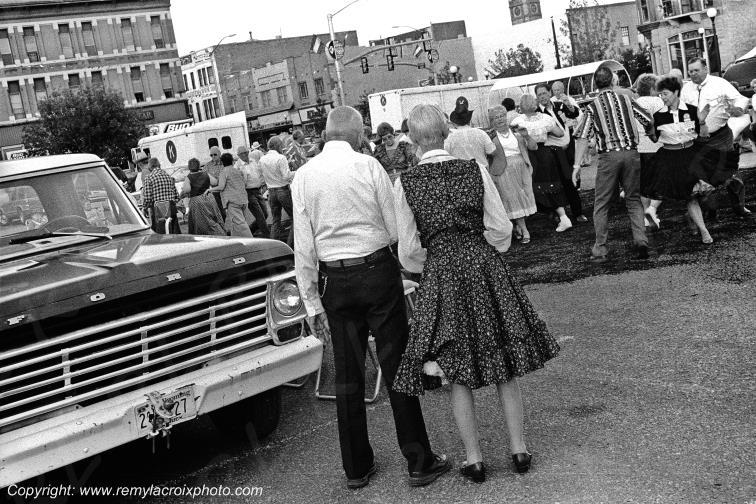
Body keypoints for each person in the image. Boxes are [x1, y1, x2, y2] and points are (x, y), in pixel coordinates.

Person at [391, 103, 560, 483]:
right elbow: (500, 227)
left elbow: (407, 249)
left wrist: (432, 266)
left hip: (441, 271)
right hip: (483, 264)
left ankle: (474, 459)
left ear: (414, 140)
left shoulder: (405, 182)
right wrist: (484, 254)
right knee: (504, 357)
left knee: (456, 365)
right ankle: (518, 450)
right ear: (447, 133)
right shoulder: (473, 169)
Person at [292, 105, 450, 490]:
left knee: (348, 374)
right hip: (376, 270)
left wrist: (311, 301)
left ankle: (356, 468)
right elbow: (394, 227)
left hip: (334, 277)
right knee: (396, 364)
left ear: (327, 133)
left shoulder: (304, 176)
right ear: (358, 134)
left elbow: (303, 245)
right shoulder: (368, 166)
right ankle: (418, 460)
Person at [572, 65, 656, 263]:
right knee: (633, 199)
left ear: (596, 84)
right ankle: (641, 241)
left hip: (608, 157)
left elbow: (582, 137)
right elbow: (647, 119)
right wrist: (652, 136)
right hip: (631, 153)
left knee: (601, 204)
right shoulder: (626, 99)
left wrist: (576, 167)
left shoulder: (592, 107)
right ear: (612, 81)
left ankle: (600, 248)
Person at [642, 76, 714, 244]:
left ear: (675, 92)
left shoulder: (691, 110)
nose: (663, 98)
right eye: (660, 94)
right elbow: (654, 139)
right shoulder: (658, 116)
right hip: (670, 158)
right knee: (690, 196)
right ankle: (704, 231)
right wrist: (650, 129)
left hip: (691, 154)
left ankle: (692, 218)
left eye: (665, 94)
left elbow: (704, 136)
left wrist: (702, 122)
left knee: (703, 193)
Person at [681, 57, 751, 218]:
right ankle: (710, 210)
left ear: (705, 69)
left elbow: (740, 98)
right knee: (704, 174)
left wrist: (738, 109)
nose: (692, 74)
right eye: (690, 71)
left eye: (696, 70)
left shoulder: (719, 83)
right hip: (698, 138)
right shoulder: (686, 90)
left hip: (720, 135)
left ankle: (739, 206)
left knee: (729, 171)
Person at [511, 95, 573, 233]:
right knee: (551, 183)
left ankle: (525, 223)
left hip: (527, 154)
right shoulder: (545, 118)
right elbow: (559, 133)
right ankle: (563, 217)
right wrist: (545, 131)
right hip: (545, 153)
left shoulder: (517, 121)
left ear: (521, 106)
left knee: (530, 185)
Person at [535, 83, 588, 223]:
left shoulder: (559, 105)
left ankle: (578, 213)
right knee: (556, 183)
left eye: (544, 93)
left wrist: (568, 104)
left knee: (571, 181)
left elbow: (574, 113)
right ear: (536, 97)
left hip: (568, 150)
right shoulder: (537, 114)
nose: (542, 97)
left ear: (549, 93)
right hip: (552, 153)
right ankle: (558, 214)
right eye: (539, 95)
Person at [486, 105, 537, 243]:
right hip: (503, 170)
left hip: (522, 168)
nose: (500, 119)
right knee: (511, 199)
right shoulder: (490, 136)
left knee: (524, 197)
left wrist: (527, 136)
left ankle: (517, 226)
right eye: (496, 118)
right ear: (492, 121)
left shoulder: (517, 131)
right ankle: (524, 229)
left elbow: (534, 147)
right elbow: (487, 154)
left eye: (502, 116)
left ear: (506, 116)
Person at [635, 73, 666, 230]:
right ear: (653, 88)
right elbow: (663, 122)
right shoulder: (657, 101)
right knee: (663, 182)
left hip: (639, 149)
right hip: (656, 147)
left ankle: (646, 215)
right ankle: (652, 210)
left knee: (644, 184)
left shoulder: (634, 103)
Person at [444, 96, 496, 170]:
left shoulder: (449, 138)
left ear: (454, 122)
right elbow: (492, 152)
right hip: (482, 172)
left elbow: (446, 157)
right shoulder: (481, 133)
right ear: (469, 119)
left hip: (463, 176)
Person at [260, 136, 294, 246]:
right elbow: (286, 176)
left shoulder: (262, 159)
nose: (282, 147)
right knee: (295, 218)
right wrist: (297, 172)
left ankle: (273, 245)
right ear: (278, 146)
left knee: (276, 221)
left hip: (271, 192)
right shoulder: (281, 158)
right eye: (281, 145)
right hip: (282, 190)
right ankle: (290, 244)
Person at [209, 153, 253, 237]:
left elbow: (221, 187)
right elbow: (244, 183)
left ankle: (252, 242)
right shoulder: (238, 171)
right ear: (232, 161)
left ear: (222, 162)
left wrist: (210, 190)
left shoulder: (223, 172)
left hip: (233, 202)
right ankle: (235, 241)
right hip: (243, 199)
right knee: (235, 224)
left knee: (240, 224)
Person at [180, 158, 225, 235]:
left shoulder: (189, 177)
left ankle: (215, 234)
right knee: (213, 217)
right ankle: (221, 232)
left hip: (197, 201)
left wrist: (183, 191)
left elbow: (187, 190)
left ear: (189, 167)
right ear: (198, 166)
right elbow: (214, 182)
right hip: (209, 197)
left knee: (202, 222)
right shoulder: (205, 173)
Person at [236, 145, 270, 238]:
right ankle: (268, 236)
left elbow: (259, 174)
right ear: (238, 155)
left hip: (258, 190)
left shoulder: (253, 161)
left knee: (265, 214)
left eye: (246, 152)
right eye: (242, 153)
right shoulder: (238, 166)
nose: (245, 155)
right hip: (248, 192)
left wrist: (264, 184)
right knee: (260, 216)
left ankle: (250, 231)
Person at [142, 157, 181, 234]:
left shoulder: (149, 178)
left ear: (150, 167)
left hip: (158, 210)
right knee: (174, 234)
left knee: (161, 236)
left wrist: (145, 208)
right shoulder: (168, 176)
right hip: (171, 207)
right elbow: (176, 196)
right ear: (159, 165)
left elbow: (148, 198)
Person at [205, 146, 226, 221]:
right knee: (221, 213)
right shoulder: (207, 165)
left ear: (219, 154)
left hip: (226, 190)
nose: (213, 157)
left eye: (215, 154)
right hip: (215, 191)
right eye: (211, 155)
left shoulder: (224, 163)